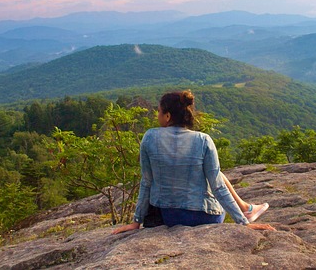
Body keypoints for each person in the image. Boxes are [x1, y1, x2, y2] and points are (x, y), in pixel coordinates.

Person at [112, 90, 274, 234]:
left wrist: (136, 222)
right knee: (216, 175)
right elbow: (217, 186)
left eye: (159, 111)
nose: (157, 115)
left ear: (168, 116)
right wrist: (243, 223)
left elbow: (146, 182)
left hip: (170, 217)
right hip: (206, 217)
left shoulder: (150, 137)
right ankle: (246, 209)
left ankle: (247, 208)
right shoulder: (203, 140)